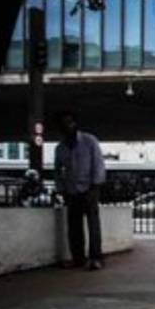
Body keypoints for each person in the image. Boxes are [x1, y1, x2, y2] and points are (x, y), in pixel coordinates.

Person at [53, 111, 106, 270]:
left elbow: (98, 163)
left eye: (70, 122)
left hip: (90, 189)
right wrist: (61, 189)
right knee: (74, 226)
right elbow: (57, 171)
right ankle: (78, 259)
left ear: (76, 124)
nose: (68, 126)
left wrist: (95, 185)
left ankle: (96, 258)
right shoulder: (60, 148)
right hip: (71, 191)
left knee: (93, 225)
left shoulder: (89, 141)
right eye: (64, 123)